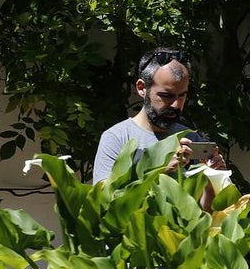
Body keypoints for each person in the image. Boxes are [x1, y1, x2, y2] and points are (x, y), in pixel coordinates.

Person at [93, 47, 227, 184]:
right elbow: (104, 201)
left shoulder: (191, 139)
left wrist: (214, 180)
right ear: (141, 88)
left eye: (182, 95)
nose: (176, 104)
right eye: (166, 96)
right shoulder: (117, 138)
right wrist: (163, 170)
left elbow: (202, 205)